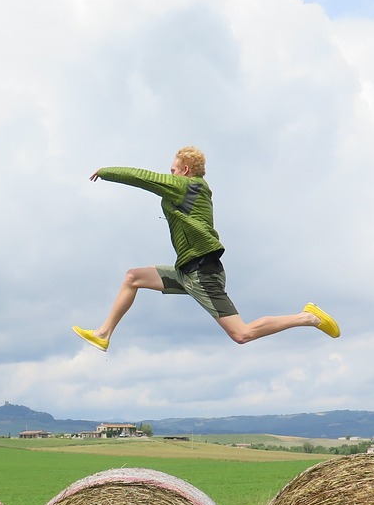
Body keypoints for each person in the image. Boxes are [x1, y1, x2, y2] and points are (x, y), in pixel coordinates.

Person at [72, 146, 339, 352]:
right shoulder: (190, 189)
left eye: (173, 170)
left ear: (185, 170)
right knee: (133, 277)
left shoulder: (188, 186)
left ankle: (308, 317)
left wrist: (105, 172)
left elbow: (143, 178)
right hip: (187, 271)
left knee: (241, 334)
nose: (170, 175)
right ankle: (103, 334)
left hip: (202, 273)